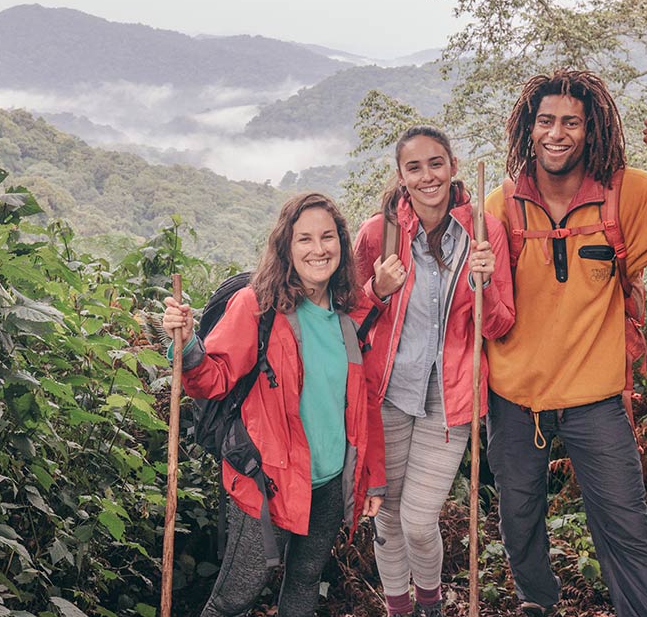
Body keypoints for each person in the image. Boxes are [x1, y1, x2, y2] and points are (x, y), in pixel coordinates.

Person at [483, 70, 647, 617]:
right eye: (545, 121)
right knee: (519, 522)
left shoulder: (628, 196)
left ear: (591, 130)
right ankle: (537, 603)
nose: (556, 133)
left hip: (595, 399)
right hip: (513, 397)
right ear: (528, 128)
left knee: (624, 526)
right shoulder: (500, 206)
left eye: (571, 122)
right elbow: (478, 305)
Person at [162, 192, 389, 617]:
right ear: (286, 246)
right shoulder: (257, 305)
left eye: (327, 237)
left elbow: (365, 403)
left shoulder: (349, 311)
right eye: (305, 239)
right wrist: (187, 343)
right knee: (235, 598)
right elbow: (212, 379)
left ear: (342, 243)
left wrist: (372, 478)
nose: (318, 249)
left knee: (305, 581)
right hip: (267, 479)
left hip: (329, 481)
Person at [352, 126, 516, 617]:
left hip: (451, 400)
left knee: (420, 522)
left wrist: (485, 283)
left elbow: (500, 325)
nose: (427, 176)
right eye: (415, 167)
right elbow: (349, 320)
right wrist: (377, 290)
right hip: (387, 394)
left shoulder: (484, 232)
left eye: (436, 163)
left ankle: (431, 604)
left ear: (453, 166)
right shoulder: (377, 234)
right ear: (401, 176)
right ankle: (399, 608)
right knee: (387, 518)